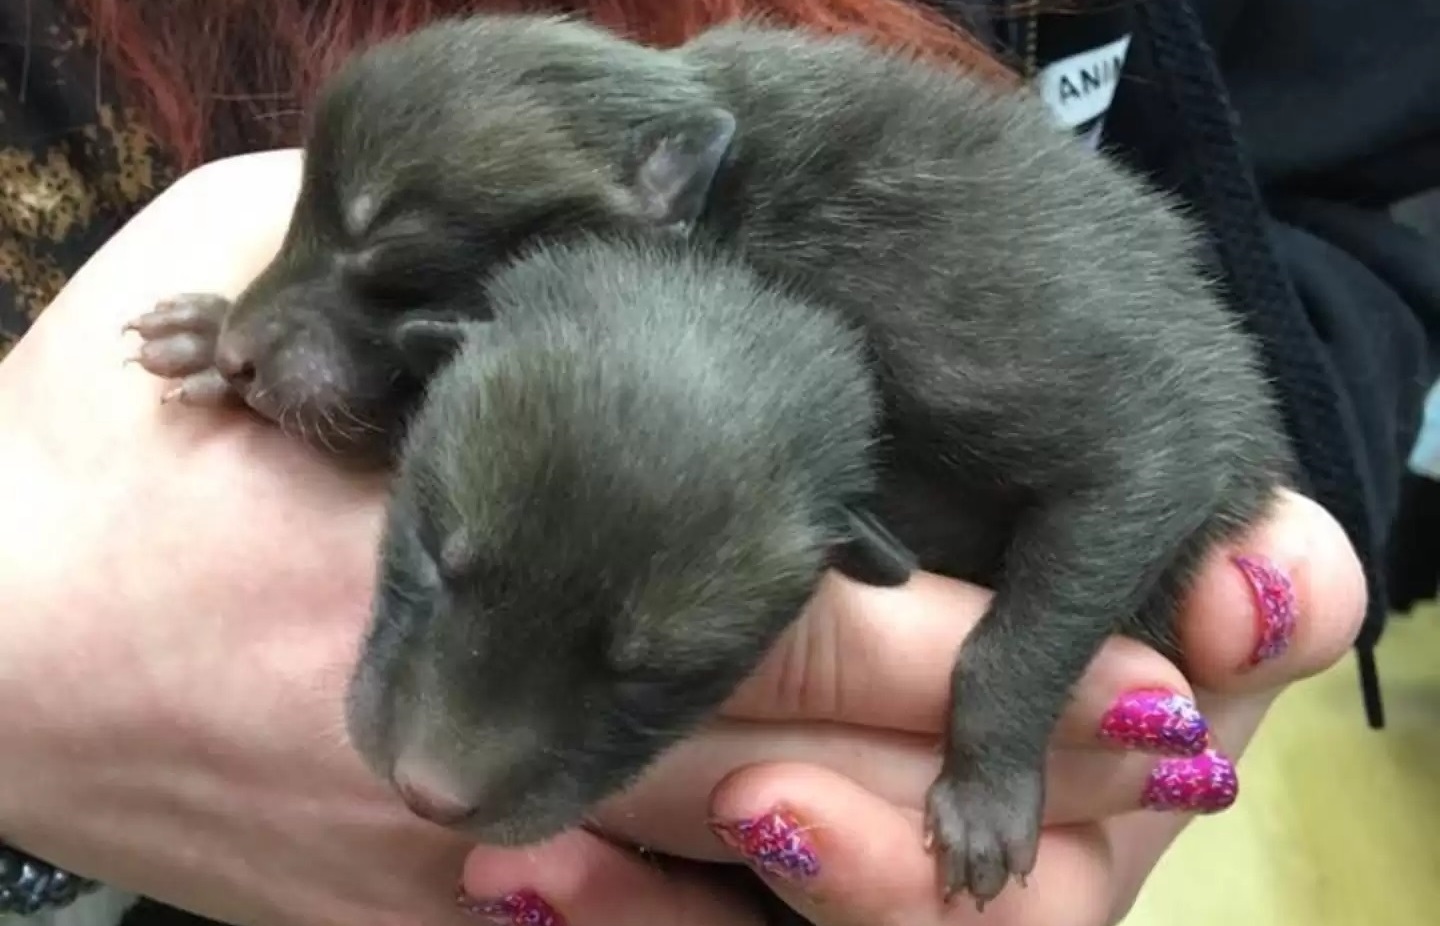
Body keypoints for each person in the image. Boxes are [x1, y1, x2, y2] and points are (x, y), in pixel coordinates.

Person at [0, 1, 1431, 925]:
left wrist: (1033, 713)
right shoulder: (611, 216)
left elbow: (1301, 249)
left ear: (662, 204)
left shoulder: (911, 283)